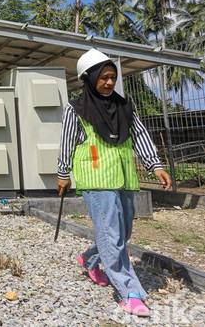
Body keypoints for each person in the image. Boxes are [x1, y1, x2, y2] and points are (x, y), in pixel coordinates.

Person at [57, 48, 172, 317]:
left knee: (122, 232)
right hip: (95, 178)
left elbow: (141, 135)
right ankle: (128, 292)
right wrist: (63, 173)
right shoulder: (76, 109)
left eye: (112, 77)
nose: (109, 83)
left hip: (122, 177)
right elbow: (66, 142)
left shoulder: (124, 106)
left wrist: (155, 165)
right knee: (112, 235)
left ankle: (89, 259)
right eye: (103, 78)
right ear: (89, 78)